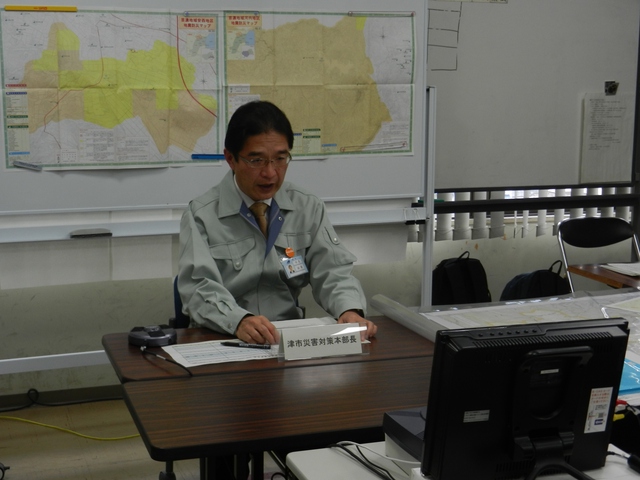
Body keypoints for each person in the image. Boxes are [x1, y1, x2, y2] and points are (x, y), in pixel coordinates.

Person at [178, 100, 377, 344]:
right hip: (226, 335)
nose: (270, 173)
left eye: (280, 159)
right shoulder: (201, 214)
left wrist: (349, 310)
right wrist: (239, 320)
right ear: (230, 158)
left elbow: (333, 271)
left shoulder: (307, 207)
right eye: (257, 160)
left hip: (287, 338)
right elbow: (198, 287)